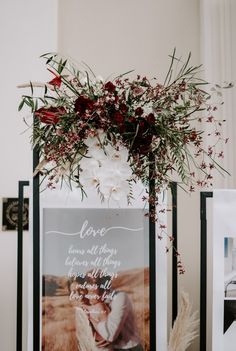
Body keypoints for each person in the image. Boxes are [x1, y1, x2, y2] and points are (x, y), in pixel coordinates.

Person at [86, 273, 144, 351]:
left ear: (105, 291)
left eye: (92, 292)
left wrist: (90, 319)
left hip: (129, 348)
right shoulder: (95, 302)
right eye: (87, 291)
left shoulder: (120, 298)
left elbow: (110, 335)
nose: (88, 296)